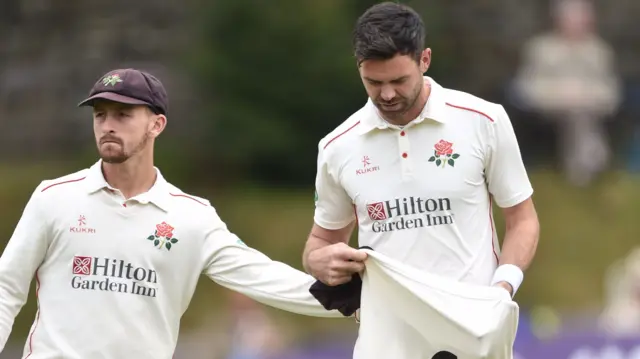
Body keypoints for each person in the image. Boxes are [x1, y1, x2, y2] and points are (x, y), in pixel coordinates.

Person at [0, 68, 345, 359]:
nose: (107, 125)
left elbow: (265, 278)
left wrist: (359, 298)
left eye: (123, 115)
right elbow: (6, 289)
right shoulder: (53, 197)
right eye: (100, 114)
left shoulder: (192, 217)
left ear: (157, 125)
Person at [303, 2, 540, 357]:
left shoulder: (483, 120)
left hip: (472, 330)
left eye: (399, 80)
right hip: (386, 339)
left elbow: (522, 219)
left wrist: (502, 289)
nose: (386, 94)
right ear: (359, 69)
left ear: (424, 60)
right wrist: (318, 261)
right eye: (373, 82)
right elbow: (320, 242)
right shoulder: (338, 146)